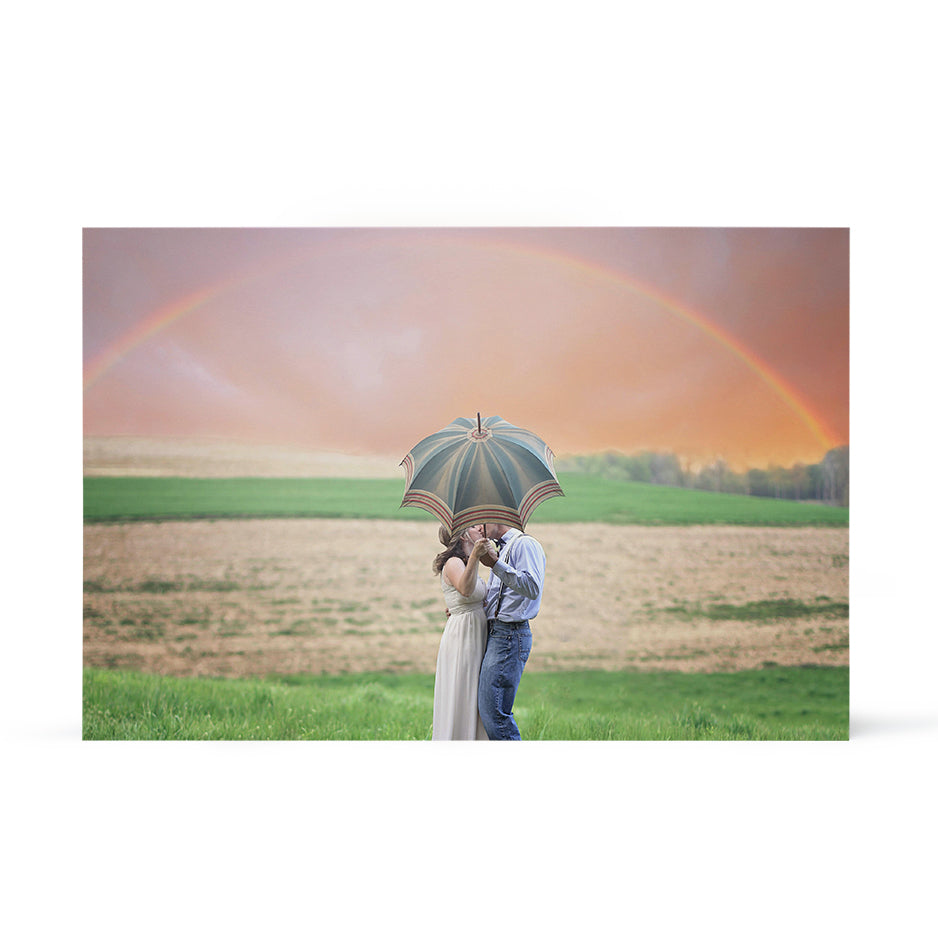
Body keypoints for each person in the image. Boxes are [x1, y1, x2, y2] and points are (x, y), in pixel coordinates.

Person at [477, 523, 547, 740]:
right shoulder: (503, 548)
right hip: (498, 634)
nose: (478, 529)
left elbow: (532, 587)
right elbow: (498, 598)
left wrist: (496, 564)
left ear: (495, 519)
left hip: (509, 635)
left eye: (481, 522)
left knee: (494, 713)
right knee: (490, 710)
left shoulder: (525, 544)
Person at [431, 524, 497, 740]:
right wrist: (476, 557)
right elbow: (466, 589)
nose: (479, 527)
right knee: (463, 691)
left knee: (476, 693)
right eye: (472, 526)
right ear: (463, 535)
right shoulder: (453, 563)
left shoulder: (467, 563)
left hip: (476, 632)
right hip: (463, 637)